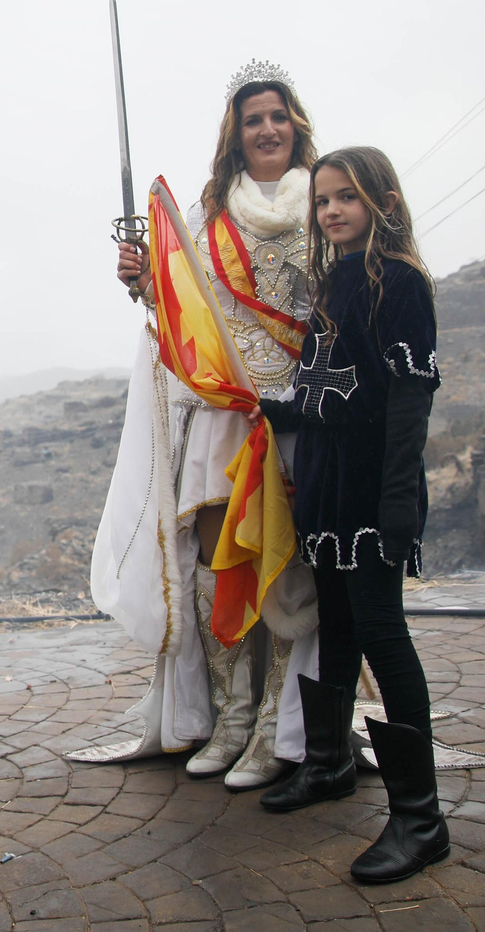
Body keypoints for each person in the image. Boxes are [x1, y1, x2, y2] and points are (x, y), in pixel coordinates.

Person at [74, 60, 321, 791]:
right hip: (224, 416)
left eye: (278, 116)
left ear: (295, 125)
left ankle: (280, 727)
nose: (268, 129)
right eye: (254, 120)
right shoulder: (211, 222)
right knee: (220, 564)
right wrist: (146, 281)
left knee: (287, 567)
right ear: (236, 137)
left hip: (300, 418)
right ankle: (232, 719)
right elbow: (192, 316)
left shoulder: (329, 205)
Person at [250, 145, 449, 884]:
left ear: (384, 203)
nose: (332, 211)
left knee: (382, 634)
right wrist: (267, 407)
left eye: (348, 198)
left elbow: (407, 394)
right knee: (335, 622)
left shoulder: (398, 283)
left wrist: (399, 499)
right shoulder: (333, 282)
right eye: (324, 200)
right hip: (329, 485)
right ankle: (330, 765)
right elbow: (321, 391)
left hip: (373, 489)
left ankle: (420, 820)